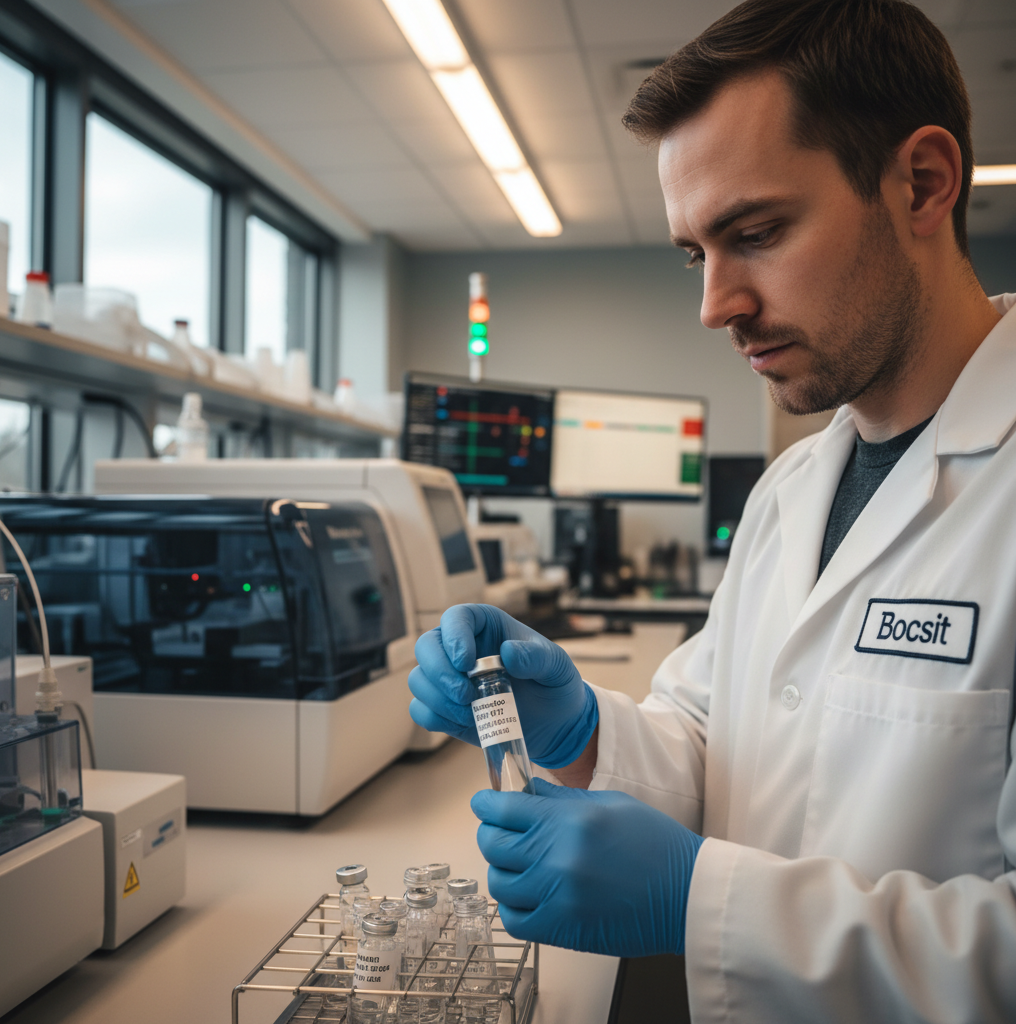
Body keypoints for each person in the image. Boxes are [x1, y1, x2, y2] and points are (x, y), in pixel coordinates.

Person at [409, 0, 1016, 1019]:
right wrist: (584, 726)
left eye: (757, 233)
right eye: (696, 253)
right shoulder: (791, 492)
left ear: (921, 183)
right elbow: (714, 742)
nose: (714, 305)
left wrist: (700, 899)